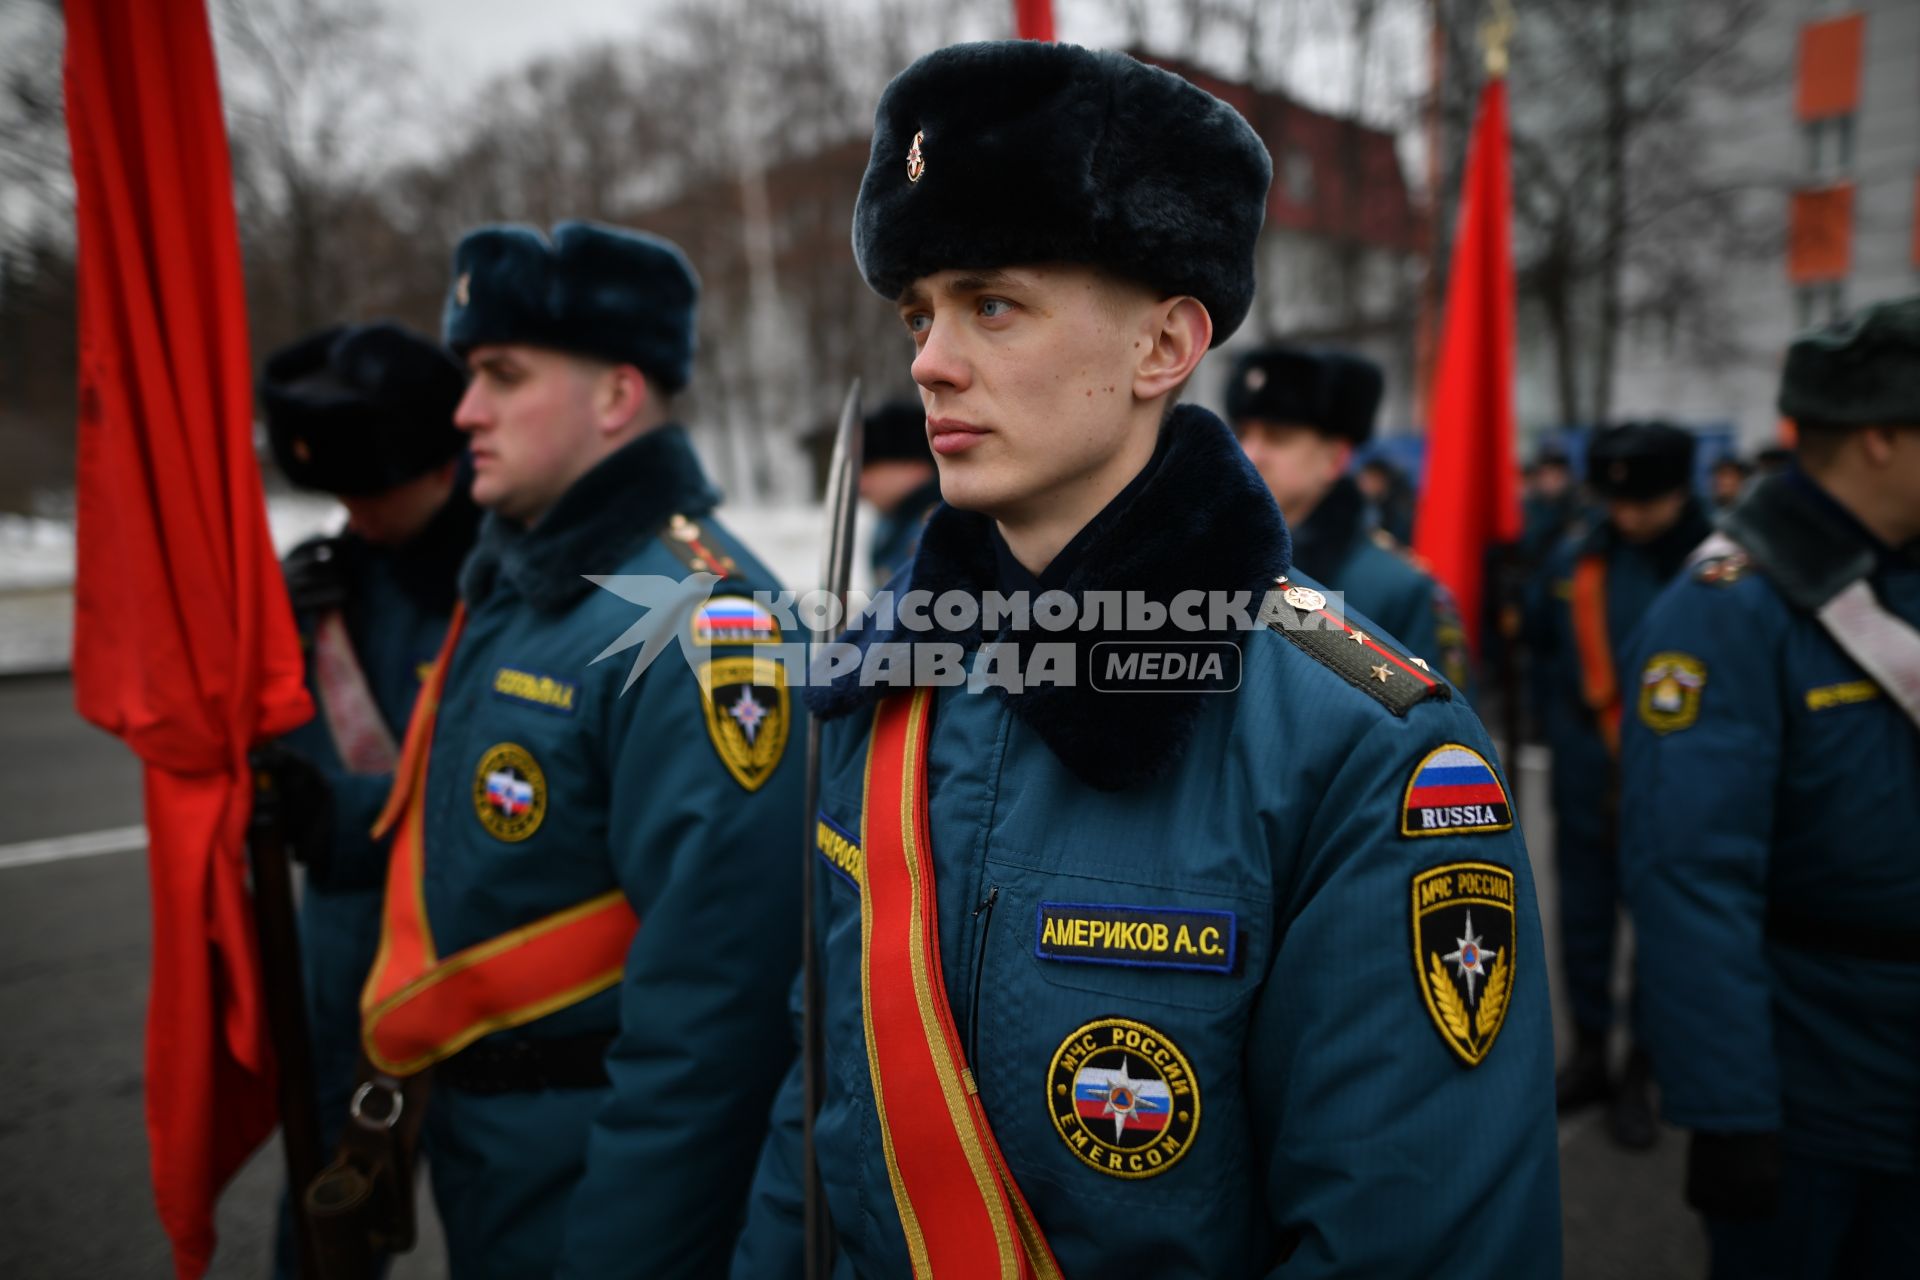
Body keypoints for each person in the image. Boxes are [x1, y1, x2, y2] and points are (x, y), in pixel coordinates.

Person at [732, 41, 1559, 1277]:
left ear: (1163, 348)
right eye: (919, 313)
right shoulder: (880, 685)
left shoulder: (1365, 744)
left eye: (991, 303)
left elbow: (1412, 1233)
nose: (929, 360)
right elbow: (824, 1118)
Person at [362, 220, 802, 1278]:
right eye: (470, 373)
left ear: (615, 397)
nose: (464, 409)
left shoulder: (696, 617)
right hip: (499, 1154)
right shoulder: (526, 579)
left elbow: (718, 1023)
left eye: (502, 375)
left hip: (602, 1171)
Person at [1621, 297, 1920, 1279]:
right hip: (1814, 1086)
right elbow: (1690, 874)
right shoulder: (1730, 610)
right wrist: (1729, 1106)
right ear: (1881, 436)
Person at [258, 321, 480, 1279]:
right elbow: (284, 752)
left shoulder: (503, 574)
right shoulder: (325, 580)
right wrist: (275, 632)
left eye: (375, 486)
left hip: (472, 957)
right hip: (343, 955)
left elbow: (502, 790)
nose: (357, 508)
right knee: (325, 1226)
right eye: (340, 491)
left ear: (443, 460)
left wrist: (338, 814)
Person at [1531, 420, 1710, 1149]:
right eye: (1616, 501)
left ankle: (1644, 1067)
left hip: (1681, 784)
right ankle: (1591, 1055)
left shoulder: (1713, 567)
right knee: (1584, 924)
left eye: (1646, 502)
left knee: (1666, 935)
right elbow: (1544, 649)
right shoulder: (1578, 557)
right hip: (1584, 779)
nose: (1628, 515)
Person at [1228, 345, 1471, 691]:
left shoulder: (1401, 590)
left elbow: (1440, 732)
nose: (1250, 454)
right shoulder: (1223, 563)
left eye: (1277, 438)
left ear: (1335, 458)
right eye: (1243, 434)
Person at [859, 399, 941, 583]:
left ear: (913, 467)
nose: (861, 485)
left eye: (869, 470)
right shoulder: (890, 524)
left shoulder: (940, 530)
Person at [1355, 453, 1415, 543]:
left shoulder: (1402, 500)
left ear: (1380, 477)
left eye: (1367, 480)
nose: (1363, 487)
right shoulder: (1380, 506)